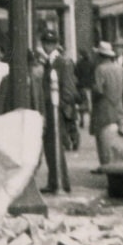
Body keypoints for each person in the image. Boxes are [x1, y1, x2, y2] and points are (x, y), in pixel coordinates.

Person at [41, 38, 77, 192]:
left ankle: (60, 182)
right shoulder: (48, 62)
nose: (46, 46)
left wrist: (59, 106)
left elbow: (69, 89)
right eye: (45, 43)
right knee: (51, 146)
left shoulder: (62, 62)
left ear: (55, 44)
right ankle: (55, 181)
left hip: (56, 111)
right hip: (50, 109)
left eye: (50, 43)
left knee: (55, 145)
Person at [91, 41, 123, 168]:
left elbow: (98, 90)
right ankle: (118, 162)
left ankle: (105, 164)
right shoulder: (120, 69)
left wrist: (93, 89)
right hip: (118, 108)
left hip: (103, 108)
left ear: (100, 56)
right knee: (118, 138)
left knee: (102, 138)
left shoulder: (100, 69)